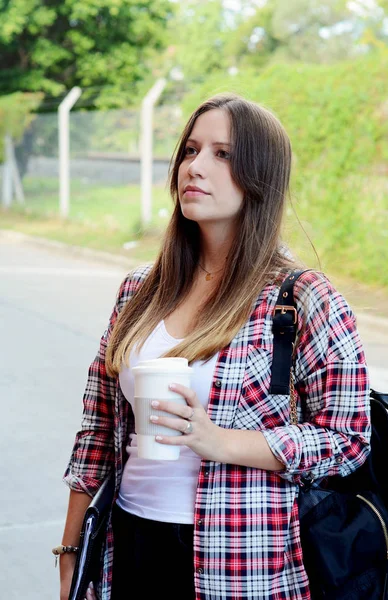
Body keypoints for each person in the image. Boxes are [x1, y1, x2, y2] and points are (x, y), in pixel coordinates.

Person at [58, 93, 371, 600]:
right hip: (129, 544)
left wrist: (220, 441)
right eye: (190, 150)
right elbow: (96, 434)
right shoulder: (139, 290)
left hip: (241, 562)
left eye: (221, 154)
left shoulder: (301, 298)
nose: (195, 167)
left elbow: (348, 441)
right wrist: (71, 554)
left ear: (259, 177)